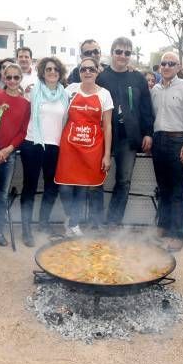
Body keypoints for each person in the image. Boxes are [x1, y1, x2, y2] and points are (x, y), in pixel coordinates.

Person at [95, 37, 154, 228]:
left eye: (127, 53)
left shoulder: (137, 78)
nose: (122, 56)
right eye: (118, 51)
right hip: (102, 134)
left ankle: (113, 222)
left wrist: (148, 133)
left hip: (128, 135)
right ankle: (95, 221)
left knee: (124, 181)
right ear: (111, 53)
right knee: (95, 179)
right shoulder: (100, 77)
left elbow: (146, 108)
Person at [56, 57, 113, 236]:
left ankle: (73, 224)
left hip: (92, 147)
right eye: (83, 69)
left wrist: (106, 154)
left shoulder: (105, 94)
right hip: (69, 147)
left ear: (97, 72)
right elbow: (59, 115)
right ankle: (71, 217)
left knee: (82, 187)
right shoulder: (69, 90)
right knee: (64, 187)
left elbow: (108, 125)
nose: (87, 72)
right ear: (79, 72)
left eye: (91, 69)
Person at [151, 52, 183, 251]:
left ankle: (178, 234)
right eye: (164, 63)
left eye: (171, 63)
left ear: (178, 66)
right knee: (163, 189)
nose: (167, 66)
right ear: (160, 66)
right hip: (158, 141)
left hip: (178, 142)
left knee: (178, 191)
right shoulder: (155, 89)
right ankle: (162, 226)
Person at [19, 57, 70, 246]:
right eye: (48, 69)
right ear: (42, 71)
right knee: (30, 187)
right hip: (33, 143)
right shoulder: (33, 91)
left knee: (51, 187)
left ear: (60, 72)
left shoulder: (64, 95)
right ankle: (26, 229)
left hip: (54, 146)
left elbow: (65, 121)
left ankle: (43, 222)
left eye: (56, 69)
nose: (52, 72)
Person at [0, 63, 30, 246]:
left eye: (16, 77)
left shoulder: (25, 103)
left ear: (21, 79)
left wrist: (8, 149)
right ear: (4, 78)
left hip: (9, 153)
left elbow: (22, 131)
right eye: (9, 77)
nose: (12, 81)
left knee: (3, 193)